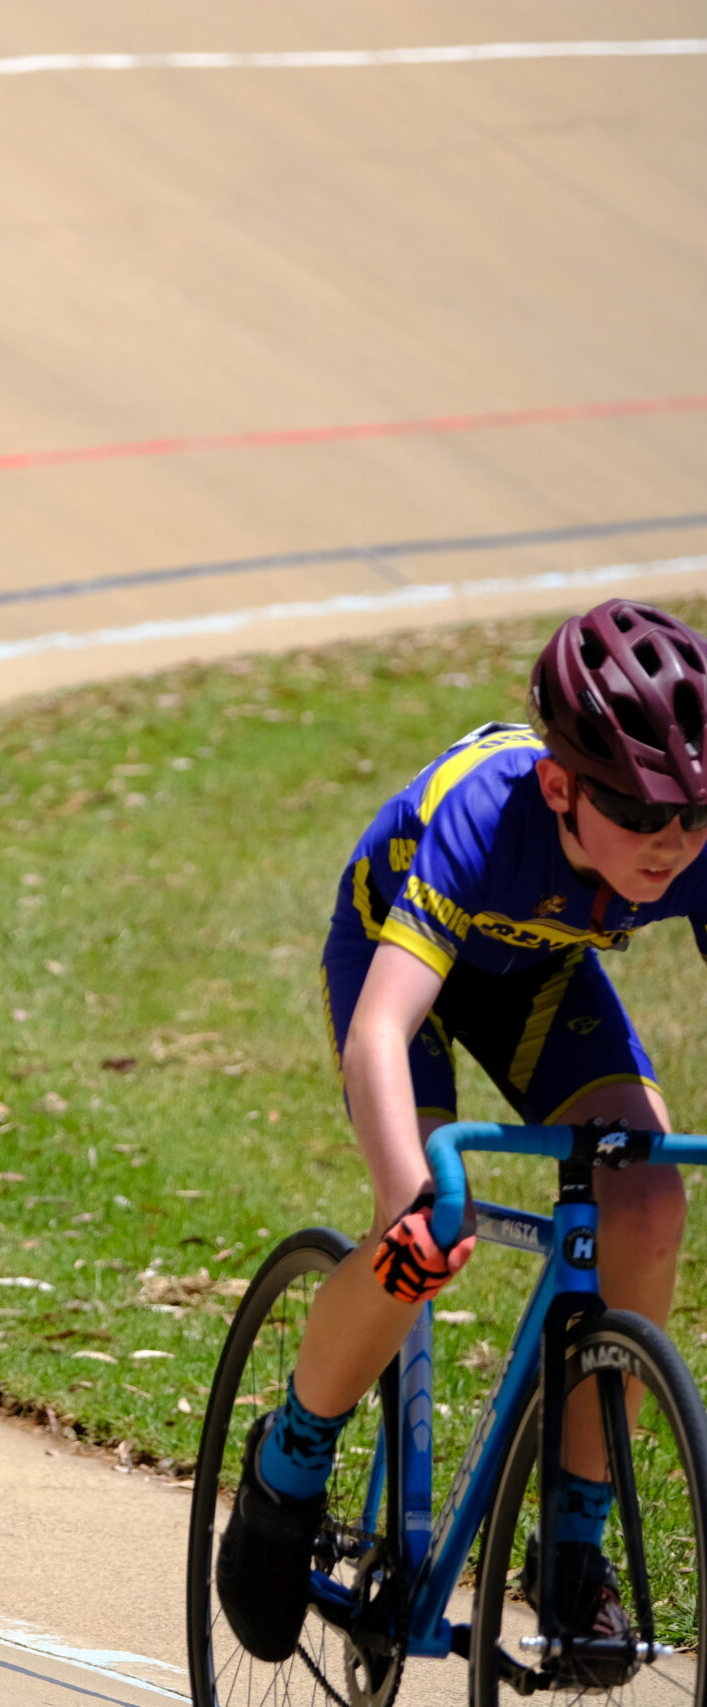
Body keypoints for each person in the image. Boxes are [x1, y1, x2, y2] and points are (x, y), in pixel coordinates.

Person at [217, 599, 707, 1664]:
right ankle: (287, 1463)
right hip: (397, 964)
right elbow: (379, 1032)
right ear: (561, 786)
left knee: (647, 1199)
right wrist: (412, 1198)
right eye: (636, 809)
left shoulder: (686, 845)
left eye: (693, 812)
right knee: (423, 1243)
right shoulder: (485, 812)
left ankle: (573, 1544)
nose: (670, 841)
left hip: (535, 975)